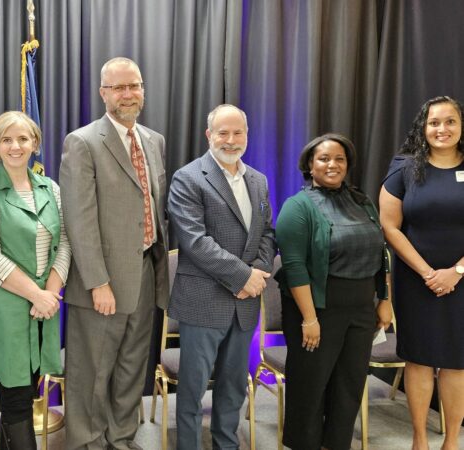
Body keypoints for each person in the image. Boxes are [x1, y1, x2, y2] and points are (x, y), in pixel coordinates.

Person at [59, 56, 169, 449]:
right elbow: (79, 219)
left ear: (143, 89)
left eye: (134, 85)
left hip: (143, 271)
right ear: (104, 93)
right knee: (92, 372)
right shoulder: (83, 142)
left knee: (131, 367)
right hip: (101, 282)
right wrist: (97, 282)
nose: (127, 94)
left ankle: (121, 438)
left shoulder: (153, 140)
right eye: (119, 87)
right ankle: (88, 442)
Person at [167, 104, 276, 449]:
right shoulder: (188, 177)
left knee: (233, 387)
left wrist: (257, 274)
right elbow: (195, 241)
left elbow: (267, 234)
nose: (231, 140)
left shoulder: (258, 180)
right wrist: (245, 277)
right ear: (208, 135)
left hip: (244, 305)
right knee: (192, 390)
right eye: (223, 133)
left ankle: (225, 444)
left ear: (247, 134)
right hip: (203, 301)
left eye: (238, 132)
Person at [275, 133, 391, 450]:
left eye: (339, 159)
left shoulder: (362, 201)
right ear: (310, 165)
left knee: (349, 385)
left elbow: (380, 253)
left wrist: (384, 300)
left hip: (361, 308)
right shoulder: (297, 207)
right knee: (310, 387)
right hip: (317, 309)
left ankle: (337, 444)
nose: (332, 164)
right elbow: (295, 265)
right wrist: (310, 318)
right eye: (324, 158)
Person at [0, 111, 71, 449]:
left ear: (35, 144)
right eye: (7, 140)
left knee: (29, 389)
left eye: (23, 139)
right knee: (16, 398)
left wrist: (51, 295)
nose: (15, 146)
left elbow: (65, 242)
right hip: (8, 307)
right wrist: (36, 296)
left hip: (44, 308)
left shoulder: (50, 188)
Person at [380, 96, 464, 450]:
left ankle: (450, 441)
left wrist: (456, 271)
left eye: (449, 122)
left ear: (461, 126)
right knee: (418, 359)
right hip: (416, 280)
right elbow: (390, 226)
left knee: (457, 363)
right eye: (434, 123)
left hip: (462, 280)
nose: (441, 129)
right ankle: (419, 440)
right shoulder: (404, 168)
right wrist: (429, 272)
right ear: (423, 127)